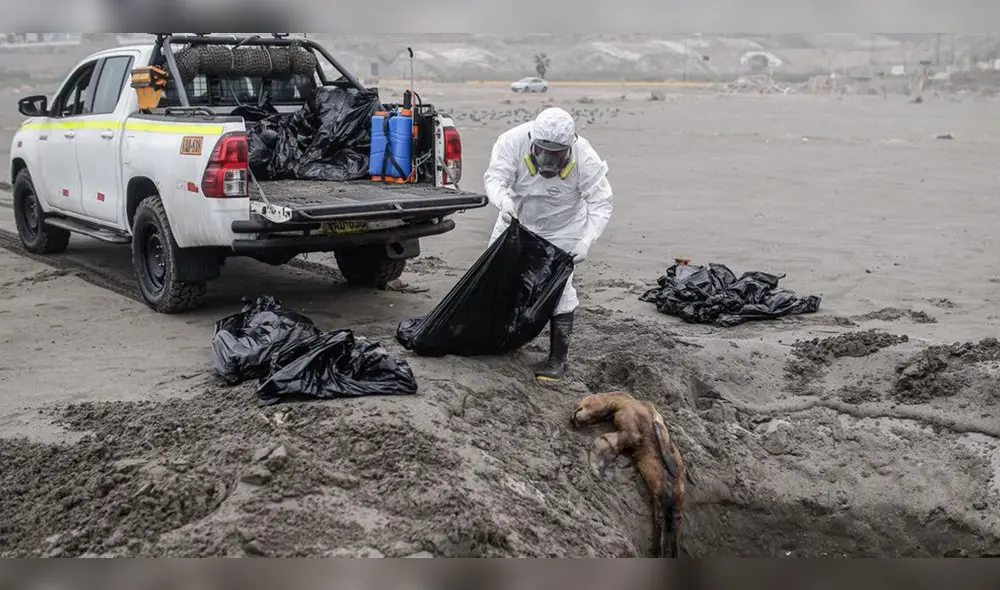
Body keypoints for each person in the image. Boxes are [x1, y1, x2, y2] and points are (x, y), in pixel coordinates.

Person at [483, 106, 614, 384]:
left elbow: (601, 203)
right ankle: (491, 338)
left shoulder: (585, 159)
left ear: (569, 148)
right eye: (542, 151)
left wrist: (586, 241)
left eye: (556, 154)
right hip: (516, 218)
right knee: (495, 277)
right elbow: (495, 179)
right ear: (532, 142)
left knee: (560, 289)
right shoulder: (511, 142)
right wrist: (503, 202)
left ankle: (557, 360)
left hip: (562, 228)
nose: (548, 160)